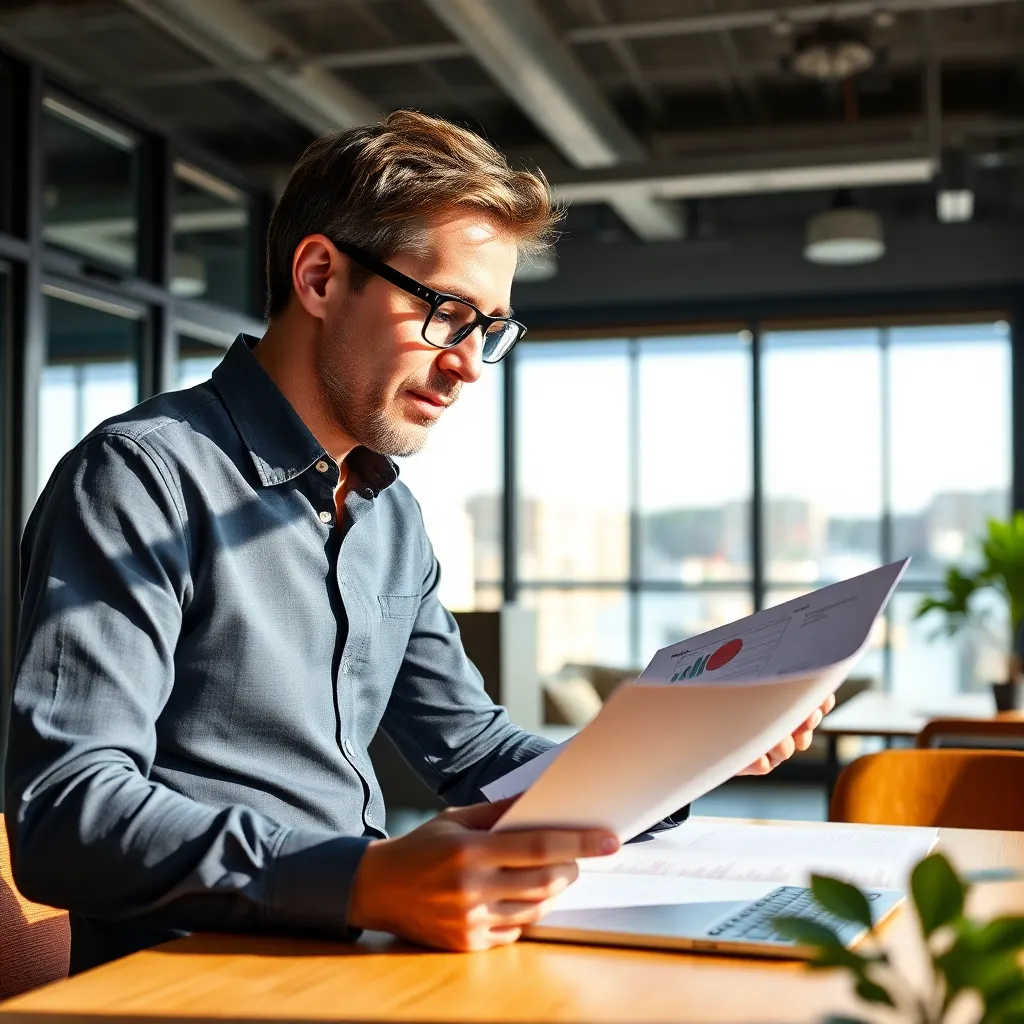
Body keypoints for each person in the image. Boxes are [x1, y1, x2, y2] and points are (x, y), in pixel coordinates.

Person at [4, 111, 834, 971]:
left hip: (358, 957)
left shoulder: (385, 516)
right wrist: (365, 878)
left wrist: (687, 752)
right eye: (448, 312)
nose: (471, 362)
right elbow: (65, 814)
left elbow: (473, 752)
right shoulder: (141, 480)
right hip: (191, 980)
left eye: (491, 329)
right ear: (322, 278)